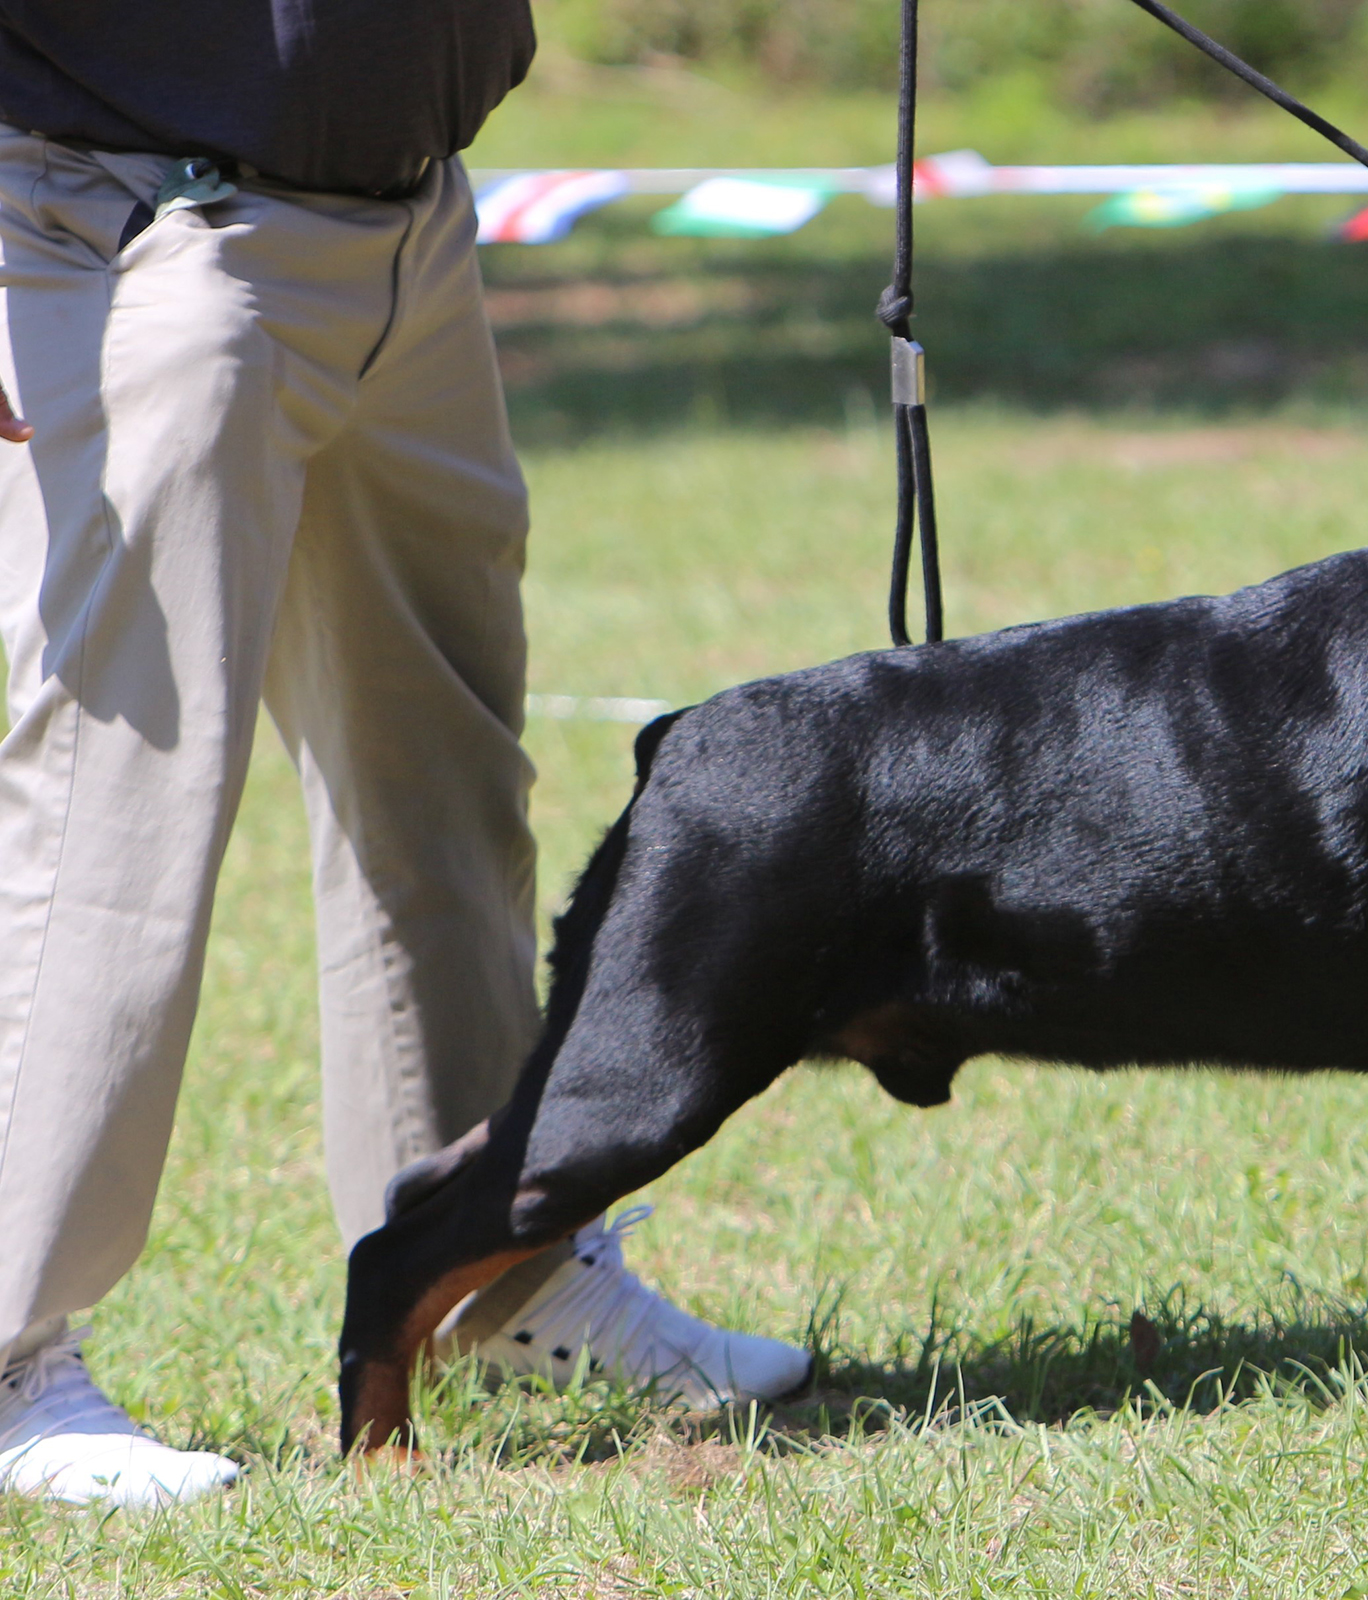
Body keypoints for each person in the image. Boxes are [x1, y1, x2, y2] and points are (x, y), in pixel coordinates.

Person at [0, 4, 813, 1507]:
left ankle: (495, 1275)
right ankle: (6, 1355)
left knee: (442, 780)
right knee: (112, 804)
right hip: (140, 225)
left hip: (408, 229)